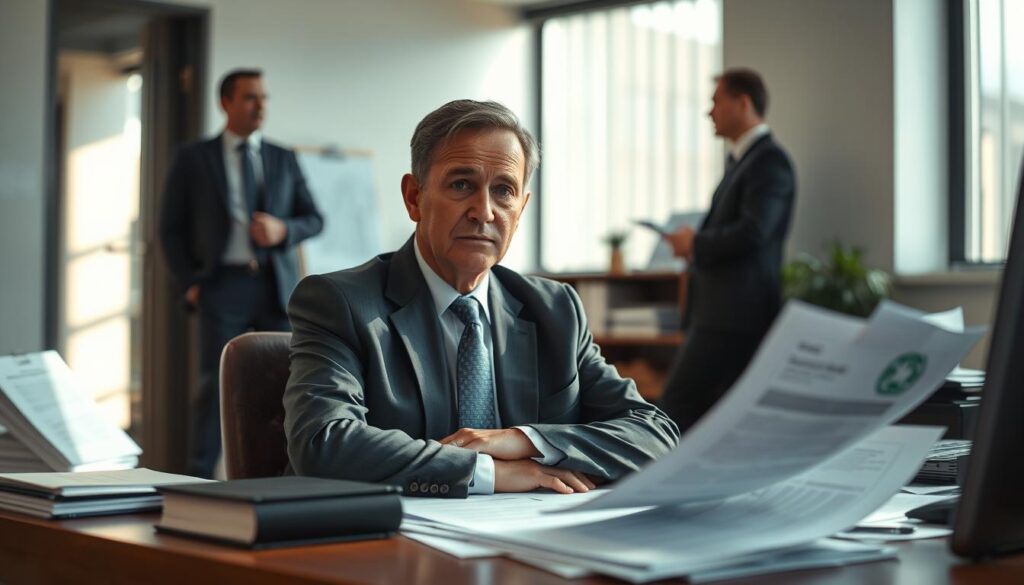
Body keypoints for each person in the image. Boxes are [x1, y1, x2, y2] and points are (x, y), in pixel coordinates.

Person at [284, 99, 678, 498]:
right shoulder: (340, 303)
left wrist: (524, 441)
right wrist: (485, 471)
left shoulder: (556, 310)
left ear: (521, 209)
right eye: (461, 185)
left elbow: (654, 435)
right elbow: (324, 442)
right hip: (385, 545)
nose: (484, 211)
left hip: (528, 542)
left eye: (503, 190)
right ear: (414, 197)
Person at [159, 68, 323, 478]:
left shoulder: (283, 157)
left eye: (264, 97)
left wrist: (283, 229)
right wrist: (191, 282)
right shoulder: (193, 158)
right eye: (250, 97)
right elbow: (170, 229)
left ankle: (280, 478)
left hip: (275, 287)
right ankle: (196, 480)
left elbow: (315, 218)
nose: (260, 105)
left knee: (284, 382)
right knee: (213, 387)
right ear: (226, 103)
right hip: (222, 286)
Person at [660, 68, 796, 433]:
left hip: (733, 318)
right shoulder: (741, 162)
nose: (709, 112)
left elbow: (754, 232)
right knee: (713, 412)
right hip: (719, 314)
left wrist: (695, 243)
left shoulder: (769, 161)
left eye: (716, 101)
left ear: (743, 102)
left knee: (677, 403)